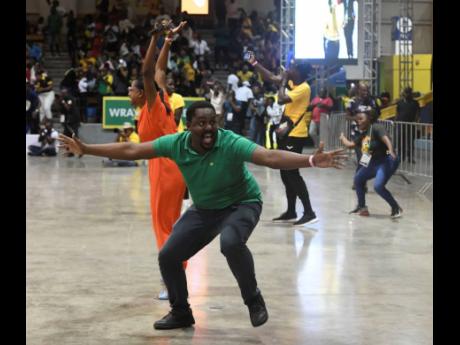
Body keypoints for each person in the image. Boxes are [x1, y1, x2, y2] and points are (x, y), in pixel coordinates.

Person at [58, 100, 347, 330]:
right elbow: (132, 149)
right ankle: (181, 312)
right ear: (189, 126)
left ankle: (253, 299)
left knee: (231, 243)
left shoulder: (230, 141)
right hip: (205, 209)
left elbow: (269, 157)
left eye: (212, 122)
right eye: (201, 123)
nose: (209, 128)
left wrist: (311, 160)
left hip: (241, 203)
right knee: (168, 255)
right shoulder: (176, 143)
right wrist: (87, 148)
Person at [133, 21, 188, 300]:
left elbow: (148, 71)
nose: (130, 93)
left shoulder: (154, 103)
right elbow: (159, 71)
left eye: (133, 89)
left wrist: (154, 37)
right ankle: (173, 275)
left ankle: (171, 281)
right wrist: (167, 41)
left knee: (164, 226)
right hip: (168, 165)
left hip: (166, 167)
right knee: (169, 224)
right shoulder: (161, 98)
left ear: (142, 92)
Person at [247, 51, 318, 226]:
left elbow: (281, 99)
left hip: (296, 134)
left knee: (292, 173)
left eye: (292, 68)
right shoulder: (294, 82)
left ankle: (309, 212)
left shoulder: (304, 88)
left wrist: (284, 80)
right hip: (286, 132)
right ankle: (291, 210)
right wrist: (255, 63)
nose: (289, 69)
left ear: (299, 72)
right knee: (285, 173)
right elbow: (272, 77)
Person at [340, 110, 403, 218]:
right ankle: (362, 207)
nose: (358, 122)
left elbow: (386, 139)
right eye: (357, 120)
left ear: (369, 119)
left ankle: (396, 207)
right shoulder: (364, 135)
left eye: (361, 119)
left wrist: (391, 150)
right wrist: (342, 138)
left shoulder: (376, 127)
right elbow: (351, 145)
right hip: (374, 161)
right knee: (358, 179)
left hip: (387, 160)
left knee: (378, 186)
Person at [395, 87, 420, 164]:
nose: (406, 94)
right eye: (406, 92)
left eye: (408, 92)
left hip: (410, 125)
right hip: (400, 125)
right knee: (400, 141)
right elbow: (397, 113)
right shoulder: (400, 102)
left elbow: (417, 113)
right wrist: (396, 122)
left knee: (410, 142)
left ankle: (410, 157)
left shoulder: (415, 103)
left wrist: (416, 122)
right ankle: (400, 156)